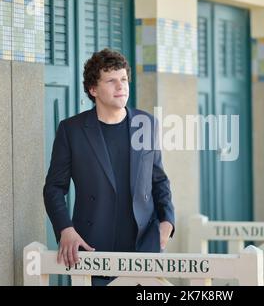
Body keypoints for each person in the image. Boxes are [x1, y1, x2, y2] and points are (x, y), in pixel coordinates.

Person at [43, 48, 175, 286]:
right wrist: (65, 229)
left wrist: (168, 221)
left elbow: (159, 180)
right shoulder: (71, 130)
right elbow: (54, 187)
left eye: (123, 79)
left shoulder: (146, 124)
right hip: (92, 245)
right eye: (111, 81)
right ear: (93, 90)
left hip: (143, 246)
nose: (120, 86)